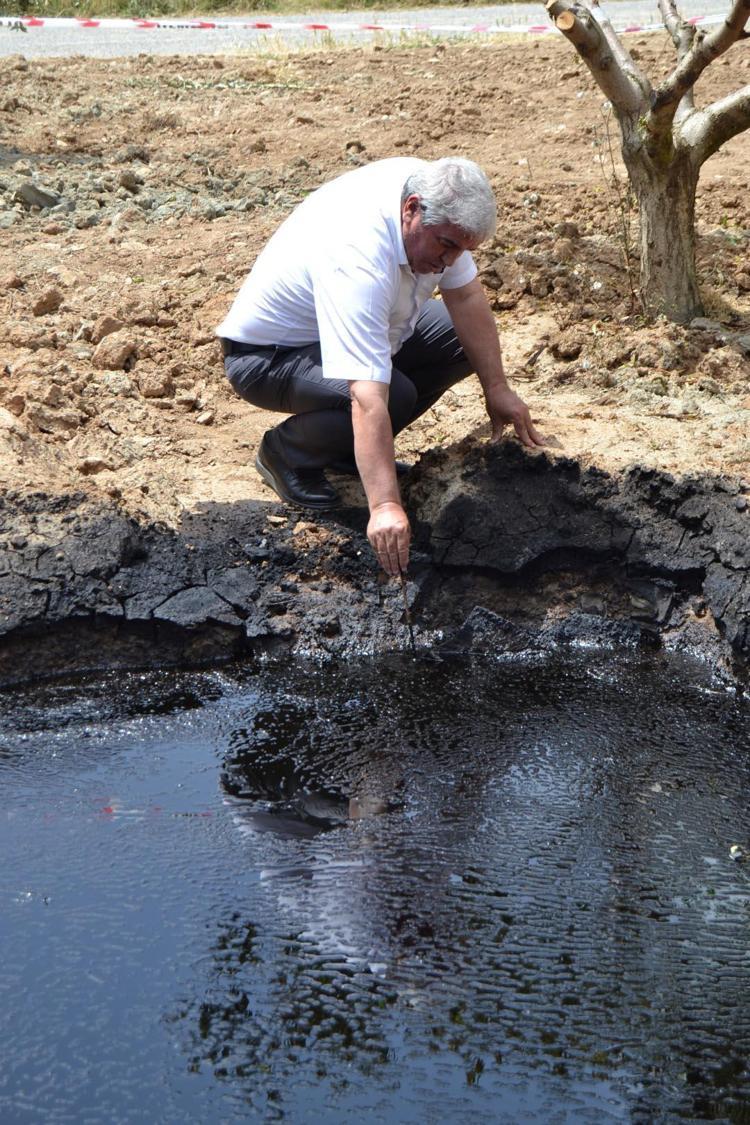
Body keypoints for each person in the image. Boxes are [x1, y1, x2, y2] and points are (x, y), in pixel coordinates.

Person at [217, 156, 544, 577]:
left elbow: (465, 298)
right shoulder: (359, 256)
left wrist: (496, 387)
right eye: (446, 246)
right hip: (270, 356)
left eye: (462, 250)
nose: (450, 261)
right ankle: (288, 454)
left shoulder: (438, 199)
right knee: (393, 395)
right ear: (411, 209)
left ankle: (347, 454)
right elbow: (367, 397)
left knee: (459, 343)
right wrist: (385, 506)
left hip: (362, 322)